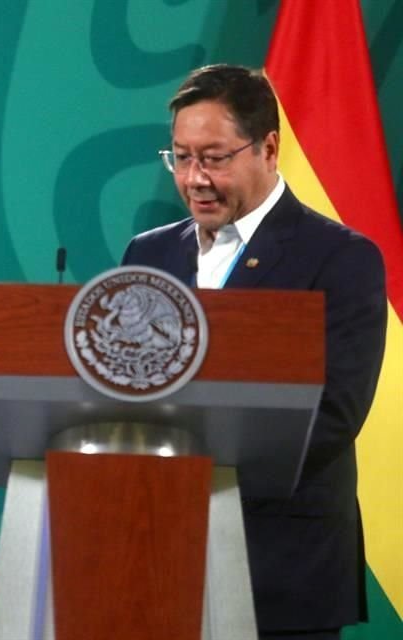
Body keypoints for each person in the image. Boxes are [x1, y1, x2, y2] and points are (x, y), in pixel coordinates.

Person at [122, 64, 386, 639]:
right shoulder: (148, 255)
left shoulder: (341, 258)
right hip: (158, 561)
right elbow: (124, 388)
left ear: (269, 148)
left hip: (281, 570)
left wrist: (192, 460)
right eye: (180, 156)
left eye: (213, 157)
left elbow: (334, 415)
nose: (194, 177)